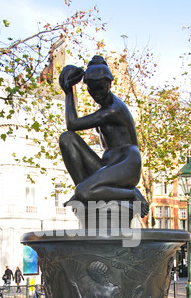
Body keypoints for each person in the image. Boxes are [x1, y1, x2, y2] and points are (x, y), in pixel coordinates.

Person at [58, 55, 149, 217]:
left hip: (127, 165)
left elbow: (72, 123)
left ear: (109, 84)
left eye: (101, 89)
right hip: (108, 165)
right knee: (67, 139)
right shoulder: (104, 107)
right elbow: (70, 131)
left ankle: (132, 194)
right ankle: (88, 195)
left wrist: (69, 92)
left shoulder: (113, 109)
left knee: (84, 191)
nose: (97, 95)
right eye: (93, 91)